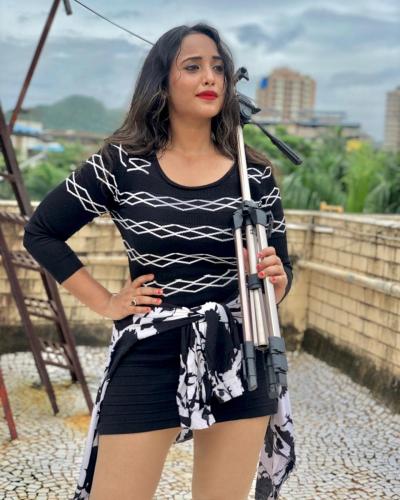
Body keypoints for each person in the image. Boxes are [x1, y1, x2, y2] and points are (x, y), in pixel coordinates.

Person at [23, 23, 294, 500]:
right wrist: (106, 302)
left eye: (218, 68)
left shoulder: (254, 176)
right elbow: (41, 232)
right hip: (149, 351)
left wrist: (276, 282)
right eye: (193, 66)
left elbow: (282, 271)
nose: (210, 77)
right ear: (162, 82)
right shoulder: (121, 163)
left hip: (241, 351)